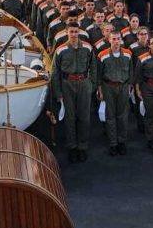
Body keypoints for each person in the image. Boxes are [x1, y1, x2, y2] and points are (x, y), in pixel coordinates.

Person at [51, 22, 96, 163]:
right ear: (66, 33)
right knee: (70, 118)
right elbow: (55, 73)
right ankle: (72, 147)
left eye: (76, 31)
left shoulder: (88, 48)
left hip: (84, 84)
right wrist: (58, 93)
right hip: (67, 85)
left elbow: (93, 67)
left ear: (79, 32)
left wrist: (92, 85)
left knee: (84, 116)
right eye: (71, 32)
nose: (74, 34)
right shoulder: (60, 50)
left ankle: (82, 146)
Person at [97, 34, 133, 156]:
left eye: (118, 39)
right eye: (114, 39)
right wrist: (100, 90)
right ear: (109, 40)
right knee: (110, 116)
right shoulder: (102, 55)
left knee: (123, 115)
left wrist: (130, 87)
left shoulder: (128, 54)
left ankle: (122, 142)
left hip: (123, 87)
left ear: (121, 40)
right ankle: (113, 143)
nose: (116, 41)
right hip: (108, 87)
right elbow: (99, 74)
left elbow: (131, 71)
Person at [129, 27, 150, 133]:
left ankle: (149, 125)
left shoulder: (151, 46)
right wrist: (133, 82)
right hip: (138, 81)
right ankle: (140, 125)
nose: (143, 36)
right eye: (141, 34)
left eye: (145, 34)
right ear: (137, 36)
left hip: (149, 80)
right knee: (139, 103)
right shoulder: (132, 48)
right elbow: (130, 66)